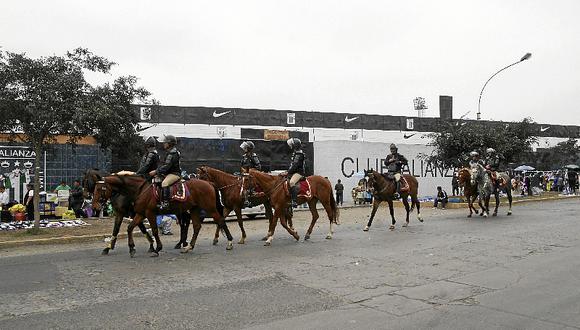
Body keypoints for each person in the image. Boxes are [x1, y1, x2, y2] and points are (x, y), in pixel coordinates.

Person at [149, 135, 182, 210]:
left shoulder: (172, 154)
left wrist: (156, 171)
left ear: (170, 144)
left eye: (165, 142)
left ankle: (166, 203)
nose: (164, 144)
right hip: (169, 173)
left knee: (165, 183)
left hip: (174, 174)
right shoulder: (170, 152)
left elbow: (167, 166)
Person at [239, 141, 261, 206]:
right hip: (244, 173)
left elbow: (259, 166)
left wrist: (251, 171)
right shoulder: (244, 156)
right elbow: (241, 166)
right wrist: (242, 171)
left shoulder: (253, 156)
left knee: (247, 184)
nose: (244, 149)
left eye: (246, 147)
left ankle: (247, 200)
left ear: (249, 148)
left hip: (252, 175)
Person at [286, 138, 306, 208]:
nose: (290, 146)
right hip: (294, 172)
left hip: (299, 173)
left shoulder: (299, 154)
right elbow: (292, 165)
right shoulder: (296, 153)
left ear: (295, 146)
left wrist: (287, 172)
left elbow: (295, 166)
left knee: (291, 182)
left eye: (291, 145)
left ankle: (294, 201)